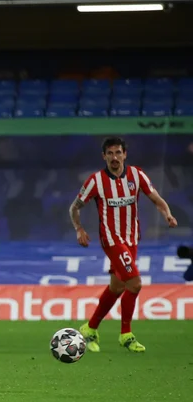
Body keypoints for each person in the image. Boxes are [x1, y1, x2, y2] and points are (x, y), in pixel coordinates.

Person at [71, 137, 177, 353]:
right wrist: (79, 229)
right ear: (104, 157)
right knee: (135, 284)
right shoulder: (96, 181)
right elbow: (75, 207)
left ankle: (90, 328)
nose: (114, 157)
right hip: (111, 240)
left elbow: (156, 198)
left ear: (124, 154)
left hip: (131, 240)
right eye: (109, 154)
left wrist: (167, 214)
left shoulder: (136, 175)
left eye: (118, 153)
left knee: (117, 287)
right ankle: (126, 335)